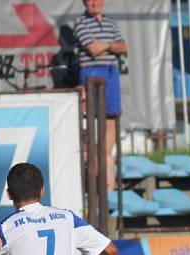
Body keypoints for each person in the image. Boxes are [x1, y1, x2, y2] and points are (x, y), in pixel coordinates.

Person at [73, 0, 128, 192]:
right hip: (91, 74)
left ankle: (108, 188)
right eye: (90, 0)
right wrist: (112, 45)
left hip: (111, 74)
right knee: (91, 127)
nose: (94, 3)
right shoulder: (80, 22)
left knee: (110, 126)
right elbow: (92, 49)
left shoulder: (111, 23)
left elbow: (123, 47)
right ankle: (95, 187)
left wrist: (106, 45)